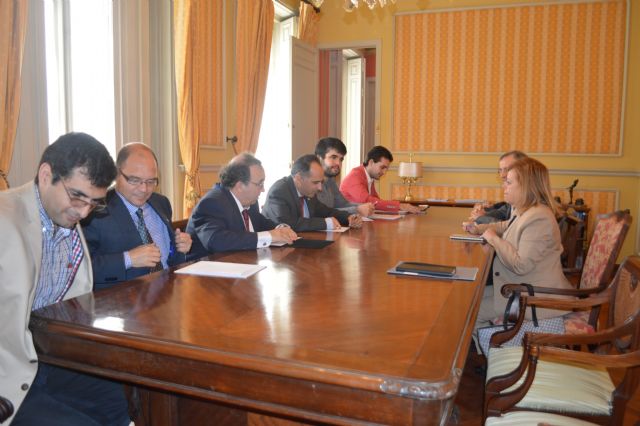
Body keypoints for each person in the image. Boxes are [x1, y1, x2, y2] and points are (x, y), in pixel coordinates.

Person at [0, 132, 130, 425]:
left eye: (94, 203)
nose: (83, 212)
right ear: (46, 175)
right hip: (9, 371)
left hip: (51, 358)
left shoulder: (64, 216)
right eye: (77, 196)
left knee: (123, 403)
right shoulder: (4, 218)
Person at [462, 157, 572, 327]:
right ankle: (490, 346)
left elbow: (521, 265)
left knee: (469, 313)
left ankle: (496, 349)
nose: (503, 186)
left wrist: (493, 239)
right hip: (520, 287)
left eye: (509, 182)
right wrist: (479, 228)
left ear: (525, 186)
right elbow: (506, 225)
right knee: (467, 298)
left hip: (535, 296)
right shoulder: (526, 211)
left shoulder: (539, 217)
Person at [82, 142, 192, 290]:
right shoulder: (94, 211)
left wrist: (181, 249)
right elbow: (82, 268)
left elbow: (169, 258)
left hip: (168, 294)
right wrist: (128, 259)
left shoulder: (161, 203)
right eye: (134, 180)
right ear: (116, 173)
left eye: (151, 181)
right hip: (122, 303)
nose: (144, 189)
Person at [186, 153, 298, 255]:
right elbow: (216, 241)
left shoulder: (249, 201)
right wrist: (269, 236)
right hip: (206, 271)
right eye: (259, 184)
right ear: (239, 186)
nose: (263, 189)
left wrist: (280, 229)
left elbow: (261, 222)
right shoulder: (212, 203)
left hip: (241, 264)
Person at [263, 154, 363, 231]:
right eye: (315, 182)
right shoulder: (279, 192)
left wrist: (348, 217)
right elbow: (287, 224)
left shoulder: (308, 192)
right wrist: (325, 223)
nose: (320, 188)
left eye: (321, 182)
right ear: (298, 178)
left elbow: (326, 211)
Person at [340, 145, 421, 213]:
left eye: (386, 169)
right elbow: (368, 201)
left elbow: (377, 200)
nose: (384, 172)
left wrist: (399, 207)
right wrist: (399, 205)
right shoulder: (355, 176)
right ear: (371, 162)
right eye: (382, 167)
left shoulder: (368, 176)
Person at [314, 137, 374, 217]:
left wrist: (363, 206)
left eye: (341, 159)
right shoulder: (310, 181)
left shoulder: (330, 180)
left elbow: (343, 204)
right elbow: (322, 212)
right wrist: (357, 210)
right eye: (333, 157)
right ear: (319, 158)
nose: (338, 163)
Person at [469, 150, 528, 224]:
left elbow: (509, 227)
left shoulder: (528, 200)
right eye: (500, 170)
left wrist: (481, 218)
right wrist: (483, 213)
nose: (502, 175)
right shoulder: (513, 198)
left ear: (523, 170)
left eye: (507, 169)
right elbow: (502, 213)